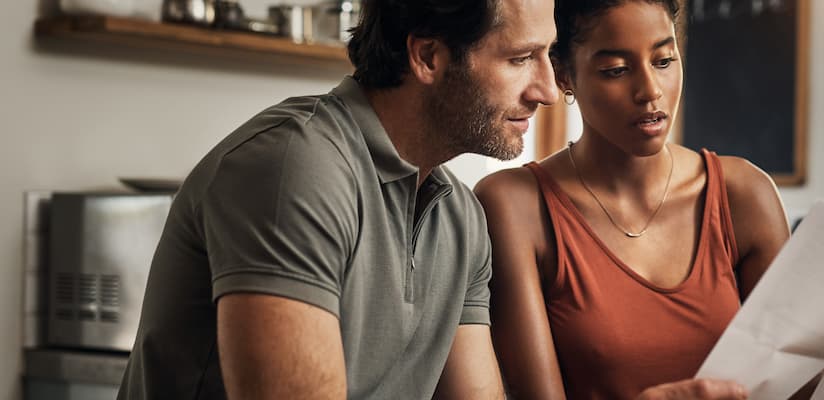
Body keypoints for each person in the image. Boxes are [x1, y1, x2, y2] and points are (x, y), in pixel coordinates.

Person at [473, 0, 824, 398]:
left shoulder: (742, 193)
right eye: (615, 69)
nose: (649, 91)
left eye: (663, 60)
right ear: (563, 74)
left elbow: (808, 385)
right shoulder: (515, 205)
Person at [116, 0, 559, 397]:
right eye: (520, 59)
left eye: (548, 56)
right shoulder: (294, 167)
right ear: (428, 56)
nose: (547, 90)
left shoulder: (460, 216)